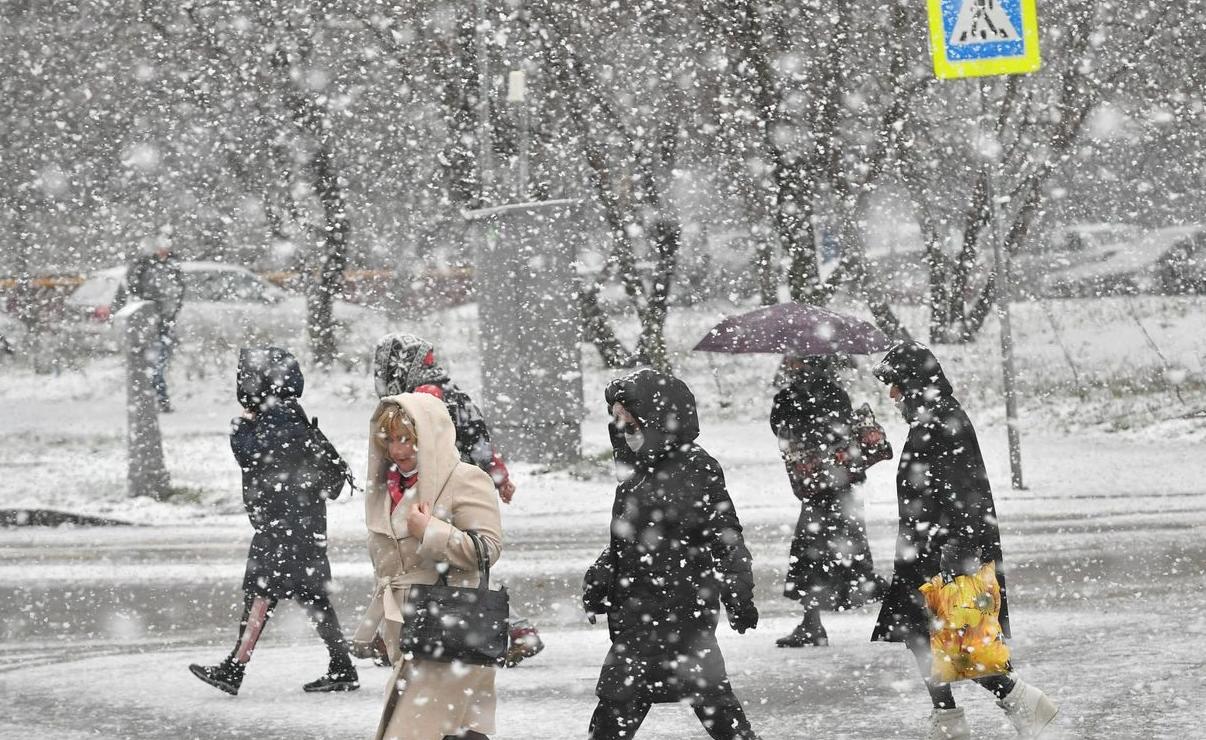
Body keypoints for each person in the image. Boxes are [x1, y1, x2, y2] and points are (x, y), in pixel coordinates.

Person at [871, 342, 1059, 740]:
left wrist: (957, 551)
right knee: (924, 636)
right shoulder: (931, 421)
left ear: (915, 383)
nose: (891, 395)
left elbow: (964, 492)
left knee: (954, 640)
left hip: (942, 552)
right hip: (926, 549)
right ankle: (954, 718)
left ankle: (1012, 701)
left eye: (896, 385)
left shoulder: (942, 422)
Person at [583, 369, 760, 740]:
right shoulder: (636, 474)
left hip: (683, 614)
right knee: (616, 714)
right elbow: (628, 539)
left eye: (630, 423)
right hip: (638, 616)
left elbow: (726, 536)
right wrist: (602, 573)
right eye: (618, 424)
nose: (623, 432)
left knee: (714, 708)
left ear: (658, 422)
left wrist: (738, 593)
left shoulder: (696, 467)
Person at [356, 332, 542, 667]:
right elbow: (478, 434)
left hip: (439, 489)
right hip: (465, 485)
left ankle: (499, 631)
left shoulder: (420, 400)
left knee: (439, 572)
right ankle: (505, 630)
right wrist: (499, 477)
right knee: (459, 575)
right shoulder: (452, 391)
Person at [189, 346, 358, 696]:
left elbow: (250, 455)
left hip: (281, 529)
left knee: (259, 595)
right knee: (312, 598)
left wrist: (240, 427)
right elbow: (325, 478)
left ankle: (235, 668)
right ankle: (342, 666)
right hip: (306, 527)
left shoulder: (272, 421)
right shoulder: (294, 416)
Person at [366, 392, 503, 740]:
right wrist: (382, 624)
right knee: (454, 732)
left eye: (407, 439)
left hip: (449, 625)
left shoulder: (465, 478)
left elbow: (487, 549)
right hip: (411, 630)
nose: (398, 451)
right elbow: (388, 564)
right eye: (390, 440)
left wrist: (431, 531)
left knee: (417, 731)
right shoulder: (388, 487)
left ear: (430, 436)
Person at [771, 354, 883, 648]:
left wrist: (786, 399)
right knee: (844, 554)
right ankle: (813, 622)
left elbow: (784, 429)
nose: (787, 363)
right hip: (841, 484)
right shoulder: (835, 393)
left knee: (812, 554)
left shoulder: (795, 396)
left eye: (793, 360)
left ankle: (813, 624)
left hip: (820, 487)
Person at [127, 237, 184, 412]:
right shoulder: (147, 267)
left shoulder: (170, 267)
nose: (162, 252)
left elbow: (178, 291)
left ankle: (157, 399)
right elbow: (134, 284)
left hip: (163, 320)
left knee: (157, 363)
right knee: (152, 363)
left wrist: (171, 311)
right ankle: (156, 399)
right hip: (152, 320)